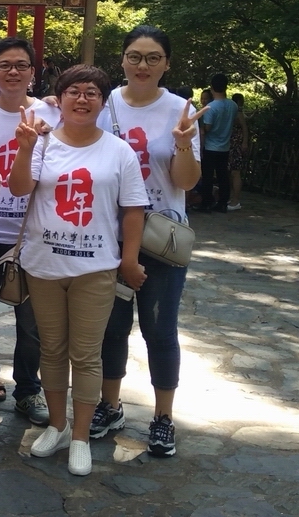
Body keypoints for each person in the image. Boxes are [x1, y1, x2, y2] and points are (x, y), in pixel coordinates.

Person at [8, 64, 148, 476]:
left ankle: (82, 436)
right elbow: (18, 188)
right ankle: (58, 425)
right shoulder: (42, 143)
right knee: (51, 350)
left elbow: (133, 210)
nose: (82, 99)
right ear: (60, 98)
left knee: (86, 354)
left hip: (95, 268)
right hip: (44, 266)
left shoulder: (118, 151)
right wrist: (24, 149)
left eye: (91, 93)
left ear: (103, 102)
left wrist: (129, 259)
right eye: (73, 91)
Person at [91, 25, 203, 460]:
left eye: (153, 57)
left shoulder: (180, 110)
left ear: (167, 64)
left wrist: (183, 146)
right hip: (110, 234)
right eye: (135, 56)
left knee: (160, 329)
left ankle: (162, 417)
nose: (143, 65)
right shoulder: (103, 104)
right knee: (112, 328)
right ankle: (110, 405)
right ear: (122, 60)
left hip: (161, 239)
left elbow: (185, 183)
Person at [0, 38, 57, 426]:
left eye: (21, 65)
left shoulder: (52, 115)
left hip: (32, 236)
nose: (13, 72)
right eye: (5, 65)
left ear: (33, 73)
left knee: (32, 324)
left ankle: (28, 390)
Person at [196, 73, 238, 213]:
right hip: (225, 146)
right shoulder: (233, 105)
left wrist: (201, 129)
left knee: (208, 176)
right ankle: (223, 202)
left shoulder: (211, 107)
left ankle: (206, 202)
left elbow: (207, 128)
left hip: (211, 146)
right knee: (223, 175)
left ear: (212, 87)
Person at [227, 93, 249, 211]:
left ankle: (236, 200)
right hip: (231, 144)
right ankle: (232, 198)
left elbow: (245, 129)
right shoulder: (234, 111)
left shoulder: (238, 113)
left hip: (237, 145)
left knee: (235, 172)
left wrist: (244, 142)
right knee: (231, 172)